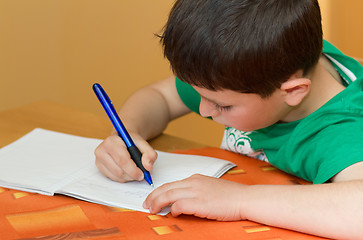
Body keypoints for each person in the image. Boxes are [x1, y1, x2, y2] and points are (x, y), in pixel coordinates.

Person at [94, 0, 363, 238]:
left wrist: (239, 200)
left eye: (222, 105)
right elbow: (160, 97)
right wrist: (128, 134)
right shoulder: (262, 63)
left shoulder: (342, 131)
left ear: (292, 92)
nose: (203, 111)